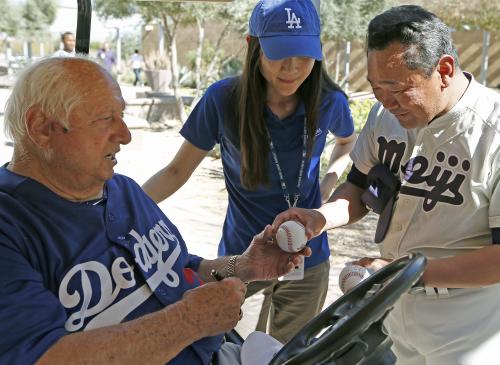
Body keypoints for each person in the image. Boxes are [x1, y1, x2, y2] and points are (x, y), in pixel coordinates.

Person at [0, 56, 312, 365]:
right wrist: (188, 321)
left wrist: (243, 266)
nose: (125, 135)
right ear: (42, 128)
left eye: (122, 116)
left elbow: (178, 268)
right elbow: (38, 356)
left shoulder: (122, 189)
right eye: (105, 118)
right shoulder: (11, 226)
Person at [273, 5, 500, 364]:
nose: (385, 102)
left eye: (397, 89)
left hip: (470, 327)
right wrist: (319, 219)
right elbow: (360, 187)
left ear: (443, 70)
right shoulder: (386, 115)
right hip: (397, 312)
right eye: (376, 88)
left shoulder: (493, 132)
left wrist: (404, 273)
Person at [142, 0, 356, 343]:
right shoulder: (222, 99)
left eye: (303, 55)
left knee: (292, 353)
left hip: (309, 258)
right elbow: (176, 171)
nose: (292, 68)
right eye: (279, 54)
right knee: (234, 349)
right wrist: (123, 209)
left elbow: (347, 142)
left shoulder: (330, 101)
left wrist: (328, 184)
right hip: (242, 259)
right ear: (252, 46)